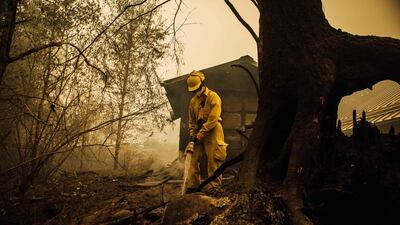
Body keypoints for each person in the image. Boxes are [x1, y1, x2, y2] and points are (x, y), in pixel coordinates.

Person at [185, 70, 228, 193]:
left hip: (213, 129)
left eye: (196, 88)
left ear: (202, 83)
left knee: (214, 159)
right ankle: (193, 187)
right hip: (198, 132)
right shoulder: (193, 101)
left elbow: (214, 117)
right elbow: (191, 121)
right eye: (193, 90)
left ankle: (214, 188)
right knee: (192, 157)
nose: (195, 91)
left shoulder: (213, 97)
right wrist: (193, 133)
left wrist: (203, 131)